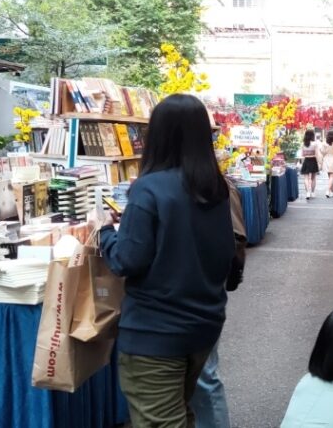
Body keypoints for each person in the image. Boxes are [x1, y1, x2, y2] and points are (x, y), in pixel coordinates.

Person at [98, 94, 236, 428]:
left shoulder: (150, 189)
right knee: (180, 413)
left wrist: (104, 232)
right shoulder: (217, 188)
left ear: (158, 135)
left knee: (162, 419)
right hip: (202, 326)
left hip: (155, 331)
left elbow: (127, 259)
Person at [190, 177, 249, 428]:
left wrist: (229, 277)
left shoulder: (216, 185)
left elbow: (236, 239)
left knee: (204, 374)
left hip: (200, 292)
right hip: (190, 294)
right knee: (197, 376)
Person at [301, 130, 321, 199]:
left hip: (306, 160)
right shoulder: (315, 144)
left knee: (306, 178)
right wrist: (319, 163)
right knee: (313, 178)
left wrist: (302, 163)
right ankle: (312, 192)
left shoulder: (303, 144)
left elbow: (302, 155)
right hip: (313, 160)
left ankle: (307, 193)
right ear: (313, 135)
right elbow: (317, 154)